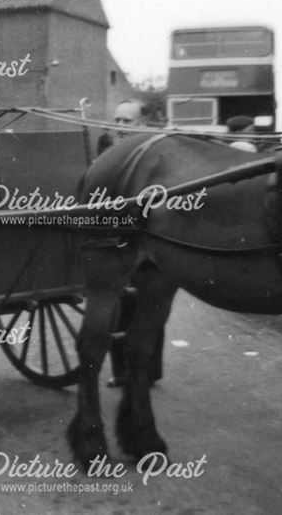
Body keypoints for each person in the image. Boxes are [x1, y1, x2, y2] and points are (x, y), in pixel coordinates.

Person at [105, 99, 164, 388]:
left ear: (141, 124)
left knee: (150, 304)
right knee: (122, 307)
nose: (119, 127)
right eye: (116, 121)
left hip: (144, 242)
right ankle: (122, 372)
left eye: (126, 122)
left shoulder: (150, 157)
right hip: (118, 242)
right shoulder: (110, 154)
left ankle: (147, 372)